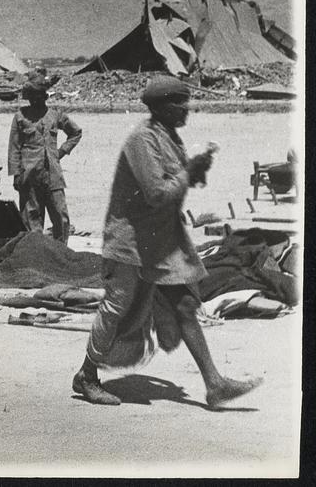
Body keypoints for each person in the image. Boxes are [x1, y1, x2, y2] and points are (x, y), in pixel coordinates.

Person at [73, 76, 263, 407]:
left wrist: (198, 168)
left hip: (161, 241)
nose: (186, 108)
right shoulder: (141, 141)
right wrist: (190, 170)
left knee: (185, 305)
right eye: (180, 102)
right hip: (130, 240)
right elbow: (158, 193)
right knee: (118, 306)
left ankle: (215, 384)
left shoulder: (169, 139)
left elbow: (178, 182)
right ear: (162, 107)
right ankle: (87, 376)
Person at [8, 73, 82, 242]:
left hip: (53, 175)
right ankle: (36, 256)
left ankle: (60, 254)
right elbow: (14, 147)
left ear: (45, 96)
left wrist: (61, 152)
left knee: (60, 217)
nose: (36, 99)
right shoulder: (21, 116)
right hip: (29, 176)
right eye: (32, 96)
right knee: (31, 219)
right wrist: (16, 175)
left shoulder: (55, 115)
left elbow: (76, 132)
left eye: (39, 95)